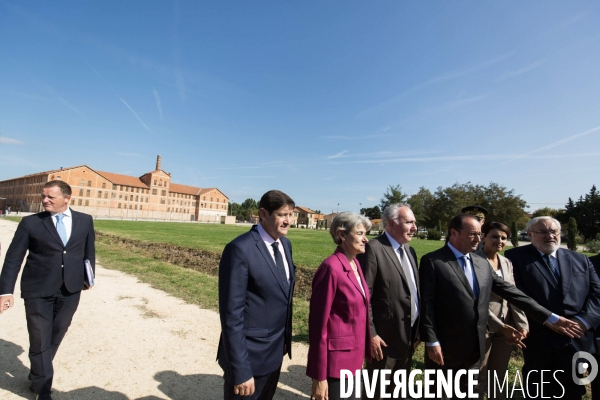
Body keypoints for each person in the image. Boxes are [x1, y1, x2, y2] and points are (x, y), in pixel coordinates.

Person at [419, 214, 582, 398]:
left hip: (476, 346)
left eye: (480, 234)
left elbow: (512, 293)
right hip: (446, 347)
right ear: (454, 233)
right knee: (440, 392)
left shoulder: (480, 262)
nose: (478, 239)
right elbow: (427, 304)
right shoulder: (433, 261)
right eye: (473, 234)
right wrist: (432, 341)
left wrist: (550, 317)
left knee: (470, 392)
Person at [0, 180, 95, 400]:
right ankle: (43, 390)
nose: (44, 200)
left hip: (70, 290)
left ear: (67, 198)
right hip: (37, 290)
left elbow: (89, 252)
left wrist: (89, 277)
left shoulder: (85, 220)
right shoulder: (30, 223)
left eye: (50, 197)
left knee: (56, 334)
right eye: (43, 196)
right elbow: (13, 259)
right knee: (40, 339)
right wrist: (5, 292)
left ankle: (37, 374)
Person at [505, 216, 600, 400]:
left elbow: (597, 294)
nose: (550, 236)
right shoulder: (515, 258)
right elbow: (518, 295)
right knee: (540, 391)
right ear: (530, 234)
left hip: (577, 339)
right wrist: (551, 319)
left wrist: (583, 321)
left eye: (554, 231)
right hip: (541, 337)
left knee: (575, 391)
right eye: (543, 232)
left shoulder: (581, 259)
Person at [217, 190, 296, 400]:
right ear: (263, 213)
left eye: (291, 214)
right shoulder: (239, 249)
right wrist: (241, 370)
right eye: (282, 214)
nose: (288, 221)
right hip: (249, 359)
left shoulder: (285, 245)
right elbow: (231, 316)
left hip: (274, 354)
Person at [357, 203, 420, 399]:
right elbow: (363, 295)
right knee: (377, 391)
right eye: (409, 222)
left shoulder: (410, 251)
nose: (414, 227)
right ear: (392, 224)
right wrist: (371, 333)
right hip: (383, 340)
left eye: (414, 222)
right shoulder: (373, 249)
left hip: (408, 337)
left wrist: (418, 330)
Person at [307, 212, 372, 400]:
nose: (365, 239)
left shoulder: (355, 264)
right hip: (337, 365)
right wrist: (319, 376)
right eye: (359, 233)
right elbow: (318, 326)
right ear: (342, 235)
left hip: (355, 358)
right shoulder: (331, 268)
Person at [475, 222, 528, 400]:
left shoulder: (506, 262)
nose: (499, 241)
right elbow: (475, 300)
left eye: (503, 238)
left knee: (498, 375)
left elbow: (513, 295)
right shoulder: (472, 259)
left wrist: (522, 324)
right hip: (482, 326)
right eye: (494, 236)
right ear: (483, 237)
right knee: (478, 375)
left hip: (507, 327)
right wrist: (500, 326)